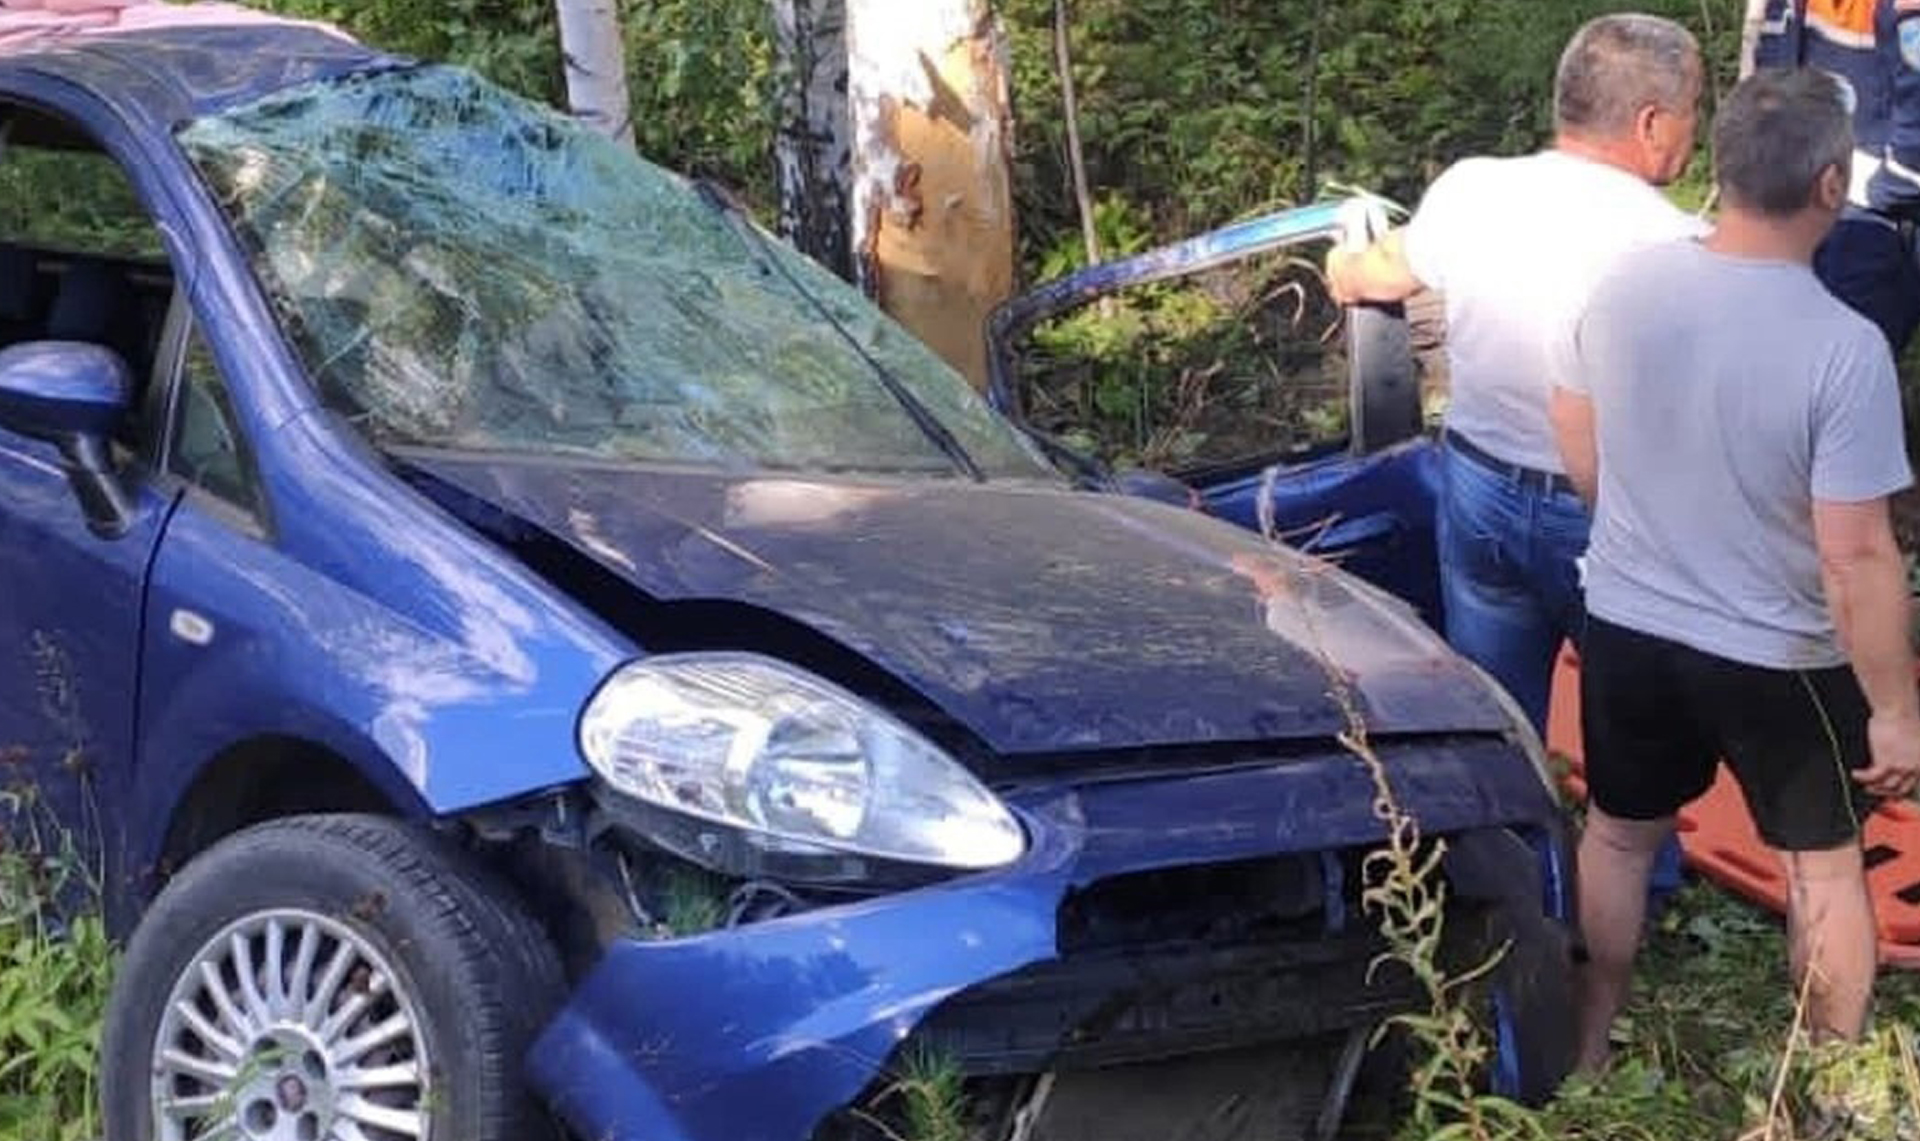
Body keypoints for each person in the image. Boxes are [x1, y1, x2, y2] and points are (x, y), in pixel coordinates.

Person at [1552, 68, 1920, 1071]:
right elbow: (1856, 555)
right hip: (1776, 653)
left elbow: (1571, 419)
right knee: (1825, 871)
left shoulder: (1627, 284)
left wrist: (1625, 522)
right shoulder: (1841, 349)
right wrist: (1892, 709)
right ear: (1832, 186)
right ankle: (1823, 1085)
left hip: (1628, 621)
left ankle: (1586, 1051)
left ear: (1720, 167)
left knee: (1620, 837)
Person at [1326, 14, 1704, 894]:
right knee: (1637, 714)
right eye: (1693, 111)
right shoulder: (1676, 246)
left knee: (1499, 713)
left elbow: (1374, 276)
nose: (1695, 130)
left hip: (1480, 486)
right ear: (1651, 123)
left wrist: (1344, 260)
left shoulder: (1473, 189)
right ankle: (1642, 886)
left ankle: (1504, 885)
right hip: (1605, 508)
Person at [1755, 0, 1920, 355]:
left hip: (1874, 213)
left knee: (1847, 359)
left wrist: (1881, 190)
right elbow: (1770, 76)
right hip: (1795, 192)